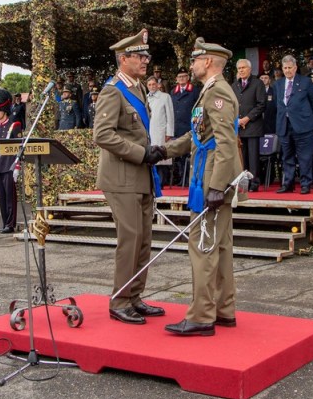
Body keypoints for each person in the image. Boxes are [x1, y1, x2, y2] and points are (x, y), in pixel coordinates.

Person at [157, 37, 241, 336]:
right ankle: (223, 309)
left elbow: (226, 142)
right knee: (220, 246)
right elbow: (198, 137)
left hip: (211, 180)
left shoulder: (217, 93)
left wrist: (216, 187)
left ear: (208, 62)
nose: (191, 65)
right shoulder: (209, 91)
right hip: (210, 177)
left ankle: (202, 316)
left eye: (195, 60)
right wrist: (163, 151)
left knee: (203, 246)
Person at [93, 28, 166, 325]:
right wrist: (140, 153)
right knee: (130, 239)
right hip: (122, 177)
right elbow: (102, 135)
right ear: (124, 59)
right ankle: (120, 299)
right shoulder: (114, 90)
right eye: (140, 56)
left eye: (146, 55)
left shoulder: (137, 88)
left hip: (140, 176)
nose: (145, 60)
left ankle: (134, 296)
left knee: (144, 239)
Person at [275, 55, 313, 194]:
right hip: (284, 124)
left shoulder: (306, 82)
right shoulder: (278, 84)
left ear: (295, 68)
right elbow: (279, 104)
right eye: (285, 68)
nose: (287, 71)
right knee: (287, 156)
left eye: (290, 68)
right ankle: (288, 183)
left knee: (304, 156)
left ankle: (306, 183)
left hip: (302, 125)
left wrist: (305, 118)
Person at [0, 89, 23, 233]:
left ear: (5, 110)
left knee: (10, 197)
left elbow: (20, 147)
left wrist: (17, 166)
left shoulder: (14, 125)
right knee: (2, 197)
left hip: (9, 165)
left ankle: (10, 224)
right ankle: (5, 223)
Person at [231, 58, 267, 191]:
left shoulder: (258, 84)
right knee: (242, 157)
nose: (241, 70)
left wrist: (247, 118)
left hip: (252, 126)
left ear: (250, 69)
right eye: (239, 68)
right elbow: (232, 105)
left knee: (253, 157)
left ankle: (254, 183)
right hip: (239, 127)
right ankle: (243, 183)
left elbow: (261, 104)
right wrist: (237, 120)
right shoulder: (234, 85)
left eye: (243, 68)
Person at [170, 67, 200, 186]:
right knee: (179, 154)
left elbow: (198, 110)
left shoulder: (195, 91)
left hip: (189, 127)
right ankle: (181, 177)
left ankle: (189, 178)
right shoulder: (173, 92)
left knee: (190, 154)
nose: (182, 79)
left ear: (188, 78)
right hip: (177, 127)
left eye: (184, 76)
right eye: (179, 77)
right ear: (176, 79)